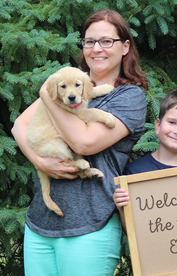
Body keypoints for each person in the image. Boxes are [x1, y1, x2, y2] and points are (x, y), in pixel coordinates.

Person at [11, 10, 147, 276]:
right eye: (89, 41)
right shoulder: (65, 84)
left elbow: (84, 143)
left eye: (106, 41)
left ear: (125, 47)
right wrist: (40, 161)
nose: (96, 49)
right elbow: (20, 125)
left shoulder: (129, 97)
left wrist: (47, 93)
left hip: (90, 223)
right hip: (40, 221)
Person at [113, 91, 177, 232]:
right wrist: (121, 207)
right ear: (157, 126)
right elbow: (132, 231)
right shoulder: (135, 172)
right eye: (172, 122)